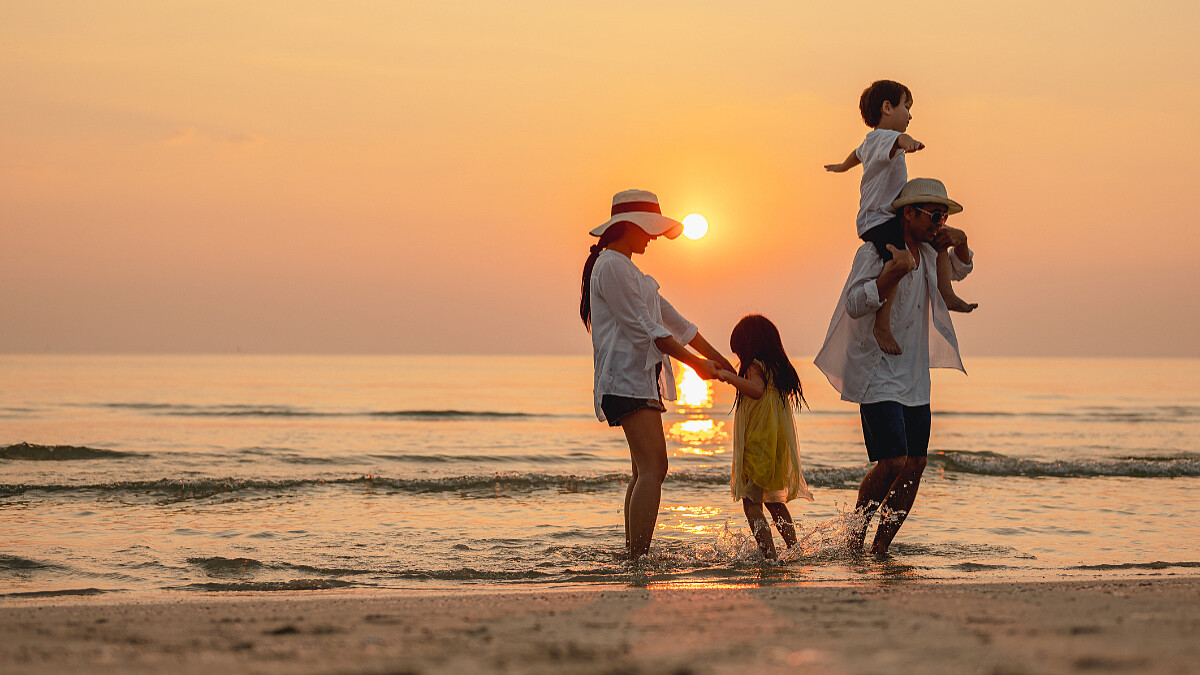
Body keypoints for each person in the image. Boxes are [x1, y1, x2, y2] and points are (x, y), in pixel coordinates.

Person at [814, 177, 974, 556]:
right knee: (892, 461)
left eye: (944, 216)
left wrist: (962, 240)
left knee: (915, 462)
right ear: (909, 213)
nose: (940, 222)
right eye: (935, 215)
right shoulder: (876, 252)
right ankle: (853, 539)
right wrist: (889, 276)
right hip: (877, 372)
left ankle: (880, 549)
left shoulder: (929, 253)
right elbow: (854, 304)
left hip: (916, 378)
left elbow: (960, 270)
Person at [581, 189, 734, 560]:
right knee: (654, 468)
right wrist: (697, 367)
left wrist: (721, 360)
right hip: (625, 380)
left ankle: (633, 555)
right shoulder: (612, 266)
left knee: (643, 470)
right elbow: (646, 329)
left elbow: (677, 323)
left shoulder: (632, 272)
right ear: (629, 226)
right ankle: (637, 558)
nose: (652, 237)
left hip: (639, 380)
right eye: (648, 229)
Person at [824, 80, 976, 355]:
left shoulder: (869, 144)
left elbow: (855, 156)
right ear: (887, 107)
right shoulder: (883, 138)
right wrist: (911, 143)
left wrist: (841, 167)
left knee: (940, 243)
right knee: (899, 262)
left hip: (880, 218)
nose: (910, 114)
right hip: (880, 220)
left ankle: (947, 294)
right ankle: (882, 324)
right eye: (906, 106)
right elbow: (899, 140)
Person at [716, 315, 814, 560]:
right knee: (774, 502)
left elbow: (757, 391)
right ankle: (794, 550)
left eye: (739, 353)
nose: (740, 360)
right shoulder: (778, 370)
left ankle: (768, 555)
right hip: (776, 445)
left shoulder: (755, 367)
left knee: (751, 502)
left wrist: (729, 377)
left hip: (758, 444)